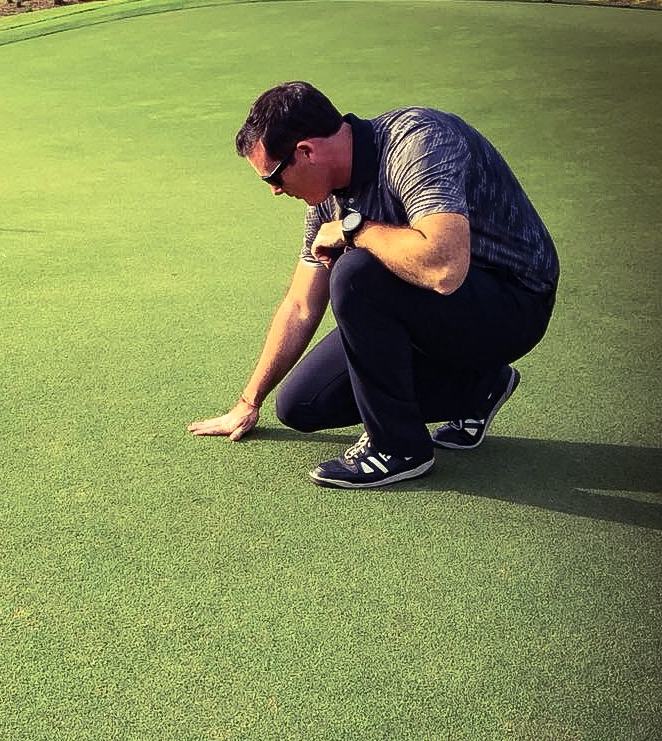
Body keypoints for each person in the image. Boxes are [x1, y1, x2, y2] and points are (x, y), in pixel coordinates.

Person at [188, 81, 559, 487]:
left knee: (354, 273)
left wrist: (355, 228)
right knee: (300, 406)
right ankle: (479, 387)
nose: (275, 190)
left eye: (272, 177)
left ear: (306, 152)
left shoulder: (418, 143)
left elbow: (444, 267)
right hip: (439, 312)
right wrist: (248, 401)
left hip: (513, 302)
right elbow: (300, 305)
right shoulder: (327, 198)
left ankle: (398, 448)